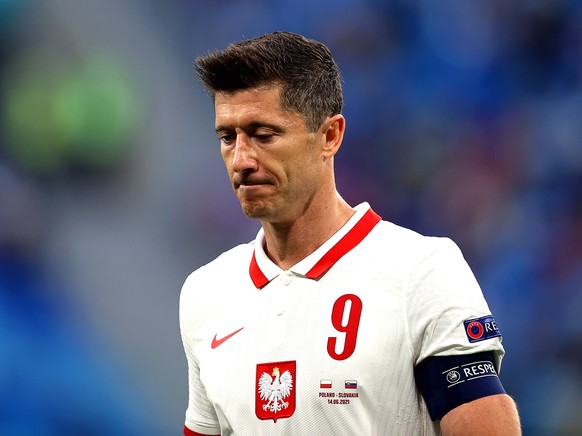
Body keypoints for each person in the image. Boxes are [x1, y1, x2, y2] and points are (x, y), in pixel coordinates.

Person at [180, 31, 521, 435]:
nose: (241, 160)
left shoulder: (421, 270)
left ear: (329, 136)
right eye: (227, 137)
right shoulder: (205, 292)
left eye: (263, 135)